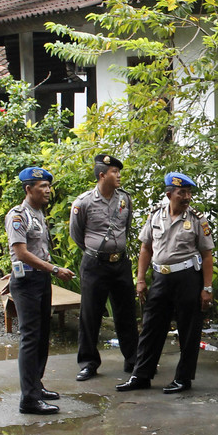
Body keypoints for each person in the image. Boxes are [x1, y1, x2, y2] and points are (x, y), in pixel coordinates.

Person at [118, 172, 214, 395]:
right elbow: (145, 248)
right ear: (169, 194)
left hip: (187, 278)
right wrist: (140, 279)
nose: (187, 197)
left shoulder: (197, 219)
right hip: (160, 278)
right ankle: (141, 375)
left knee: (189, 330)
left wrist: (207, 288)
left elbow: (207, 255)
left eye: (189, 193)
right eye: (182, 193)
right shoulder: (155, 216)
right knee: (151, 328)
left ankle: (183, 378)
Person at [5, 167, 75, 415]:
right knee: (30, 338)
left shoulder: (38, 213)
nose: (48, 190)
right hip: (27, 282)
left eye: (48, 186)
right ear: (28, 189)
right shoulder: (18, 215)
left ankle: (36, 385)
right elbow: (21, 253)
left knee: (43, 335)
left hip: (39, 279)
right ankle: (29, 399)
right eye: (42, 186)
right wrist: (55, 269)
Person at [70, 154, 138, 382]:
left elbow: (126, 228)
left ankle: (133, 360)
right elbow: (77, 234)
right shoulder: (83, 202)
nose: (118, 176)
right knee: (90, 314)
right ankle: (88, 363)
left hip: (120, 263)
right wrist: (96, 252)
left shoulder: (124, 199)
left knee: (126, 312)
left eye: (119, 172)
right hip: (94, 264)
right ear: (102, 175)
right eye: (114, 172)